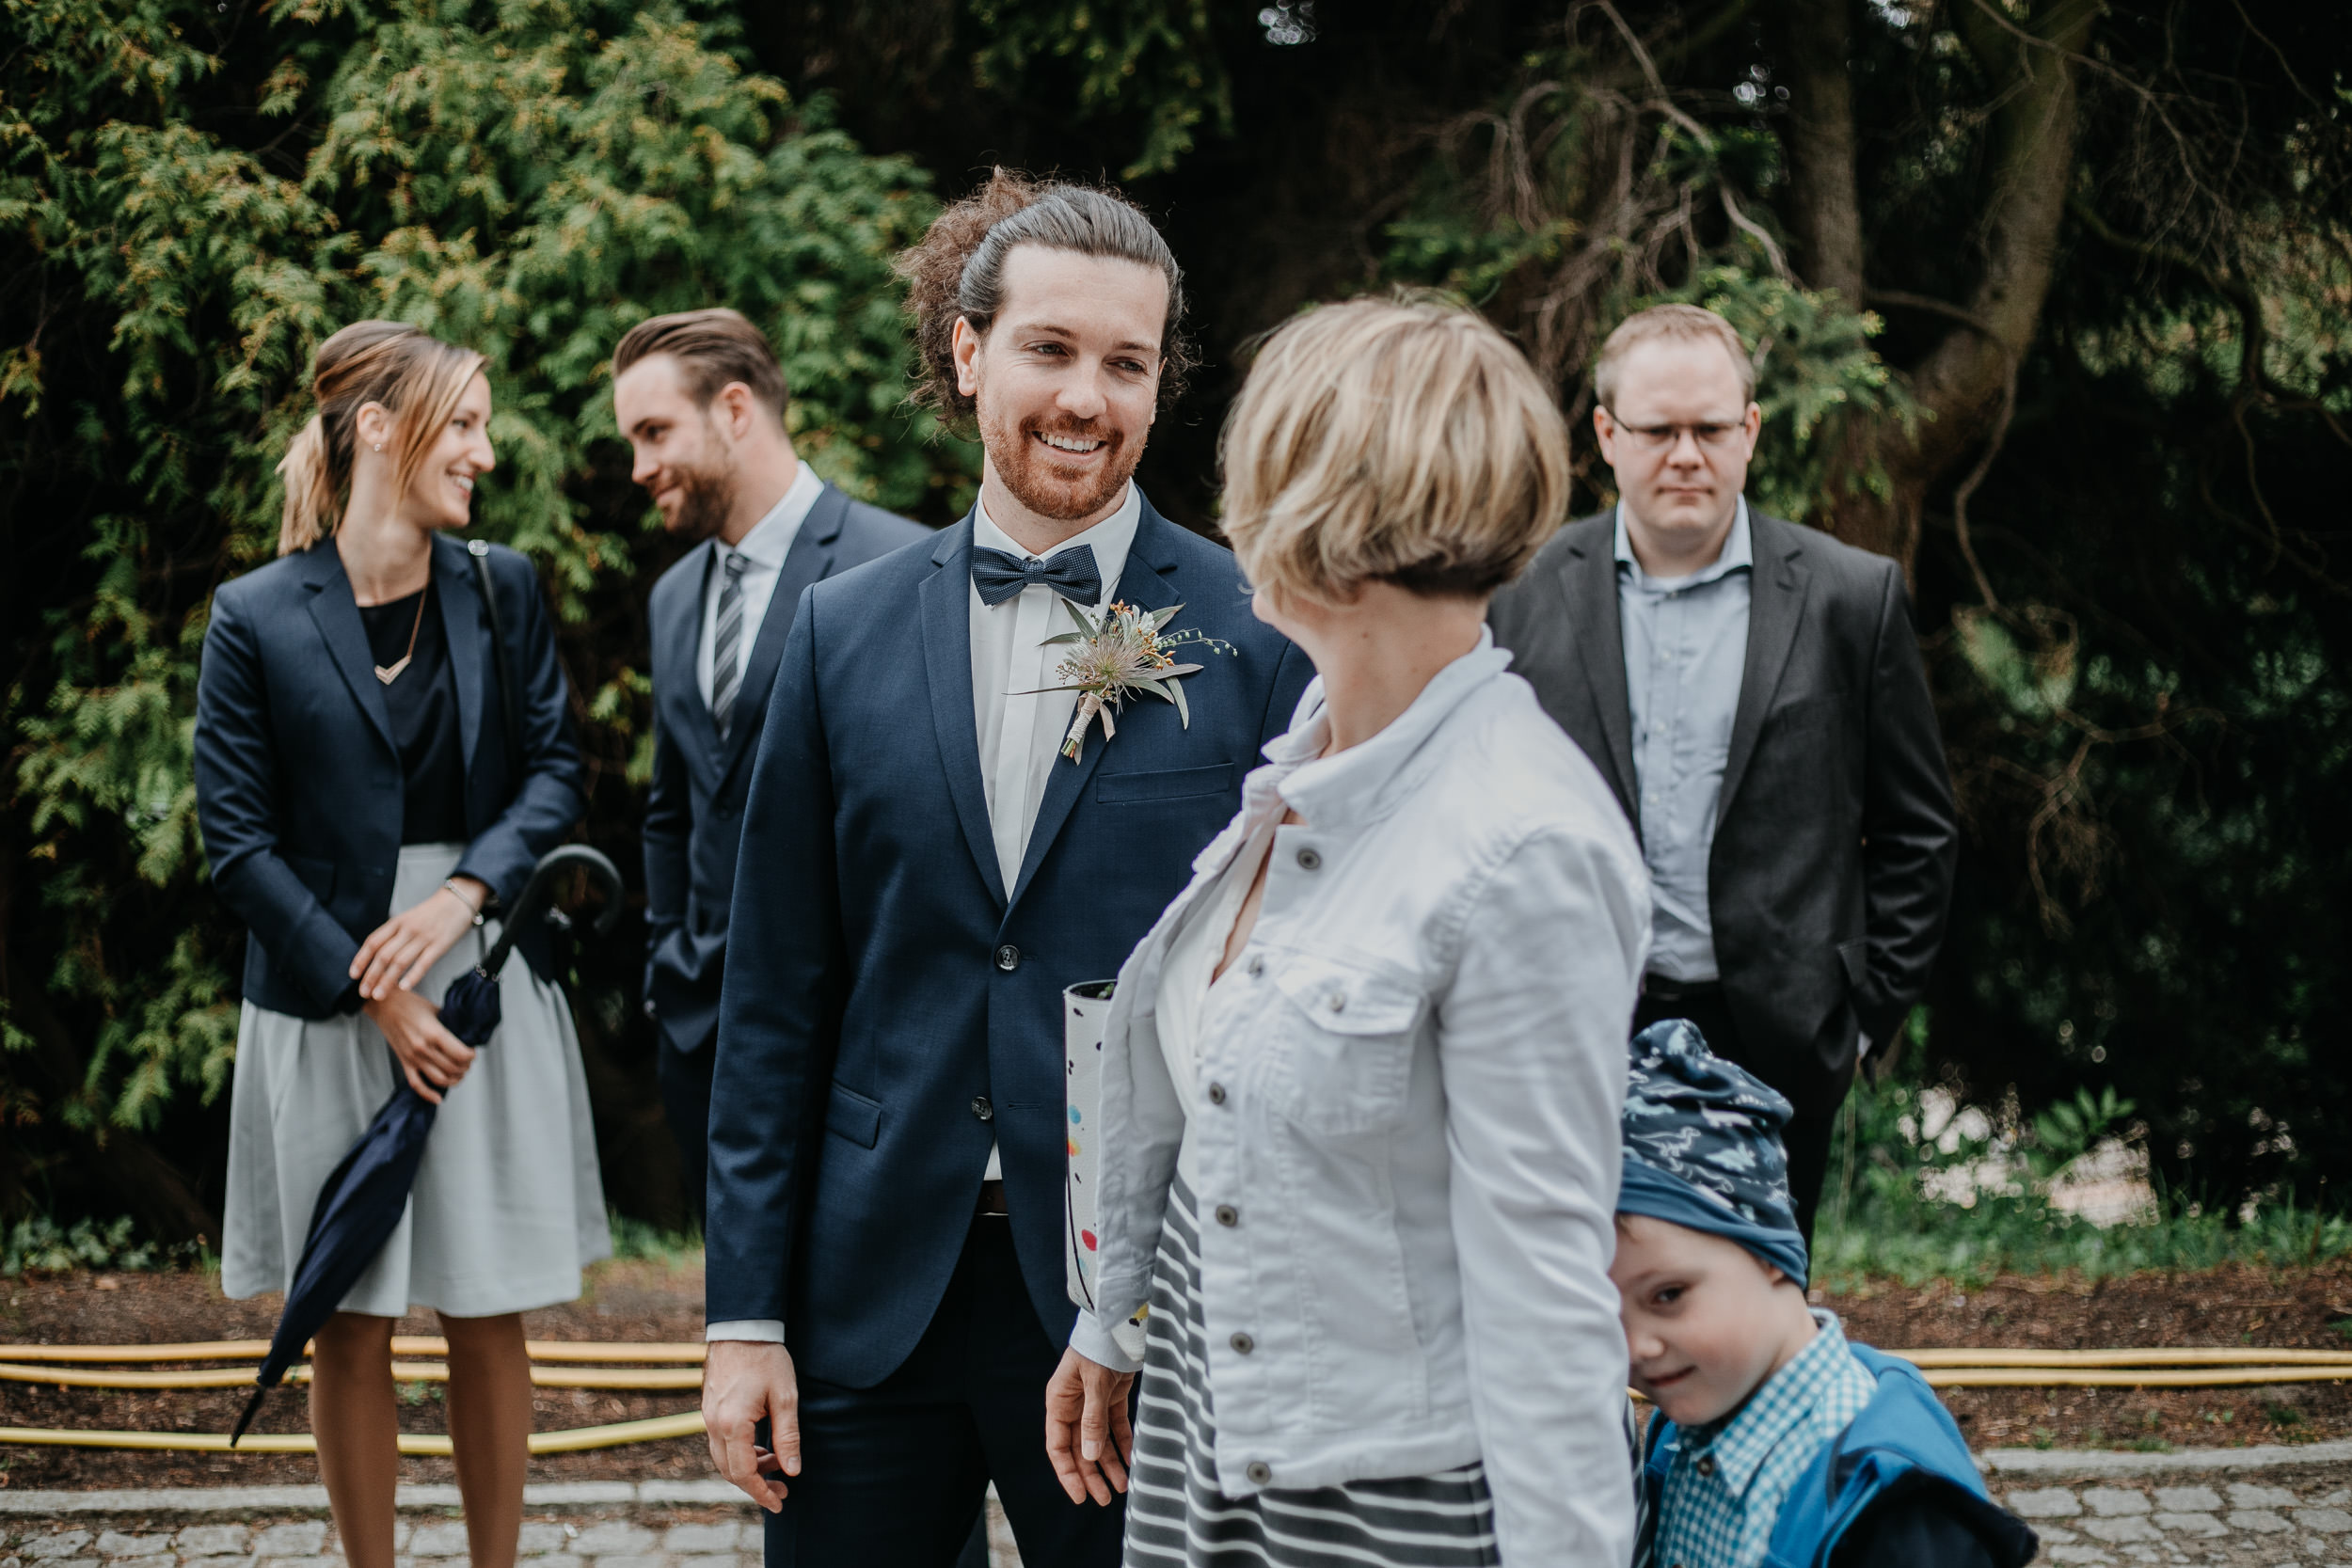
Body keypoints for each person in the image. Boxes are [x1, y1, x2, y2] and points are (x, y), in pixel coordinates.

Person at [699, 173, 1313, 1568]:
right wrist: (745, 1317)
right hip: (865, 1293)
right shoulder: (837, 632)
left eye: (1126, 362)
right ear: (969, 352)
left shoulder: (1258, 634)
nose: (1085, 398)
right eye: (1050, 349)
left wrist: (1184, 1305)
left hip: (1135, 1306)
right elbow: (776, 994)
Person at [1050, 295, 1651, 1566]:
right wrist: (1116, 1314)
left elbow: (1547, 1288)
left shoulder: (1523, 842)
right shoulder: (1312, 762)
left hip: (1385, 1505)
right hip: (1216, 1436)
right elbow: (1219, 1116)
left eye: (1260, 469)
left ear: (1328, 512)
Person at [197, 322, 605, 1568]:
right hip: (324, 993)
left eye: (482, 425)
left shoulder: (501, 587)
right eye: (463, 423)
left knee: (487, 1304)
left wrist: (464, 896)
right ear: (378, 427)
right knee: (349, 1314)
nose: (485, 451)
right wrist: (370, 982)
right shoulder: (255, 614)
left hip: (481, 982)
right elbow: (236, 840)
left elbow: (555, 771)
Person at [1487, 302, 1960, 1238]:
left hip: (1779, 1036)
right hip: (1569, 1024)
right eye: (1657, 431)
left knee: (1756, 1300)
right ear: (1607, 435)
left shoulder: (1848, 597)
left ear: (1749, 430)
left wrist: (1859, 1020)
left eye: (1709, 429)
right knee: (1568, 1295)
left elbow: (1918, 831)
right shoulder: (1520, 595)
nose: (1685, 456)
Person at [619, 308, 928, 1225]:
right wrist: (667, 958)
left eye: (654, 432)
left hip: (850, 1033)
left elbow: (917, 813)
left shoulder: (898, 563)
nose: (638, 466)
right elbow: (674, 806)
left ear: (735, 409)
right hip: (701, 1026)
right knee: (733, 1283)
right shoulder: (673, 596)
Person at [1615, 1020, 2040, 1568]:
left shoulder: (1892, 1512)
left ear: (1768, 1253)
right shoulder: (1678, 1429)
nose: (1637, 1346)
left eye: (1668, 1295)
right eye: (1607, 1312)